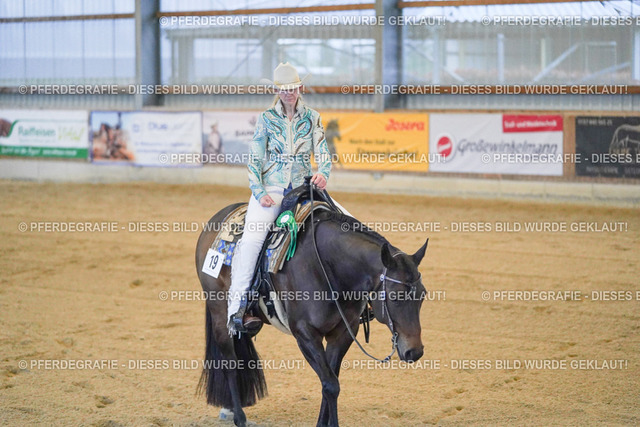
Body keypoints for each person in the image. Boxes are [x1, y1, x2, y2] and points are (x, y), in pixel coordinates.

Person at [227, 62, 334, 335]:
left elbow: (322, 150)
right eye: (283, 89)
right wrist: (259, 191)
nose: (288, 93)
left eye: (292, 88)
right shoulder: (266, 119)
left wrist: (323, 173)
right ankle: (236, 309)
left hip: (304, 188)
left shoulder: (313, 118)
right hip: (271, 190)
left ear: (300, 88)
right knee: (252, 241)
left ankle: (360, 297)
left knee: (346, 221)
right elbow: (254, 159)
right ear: (277, 90)